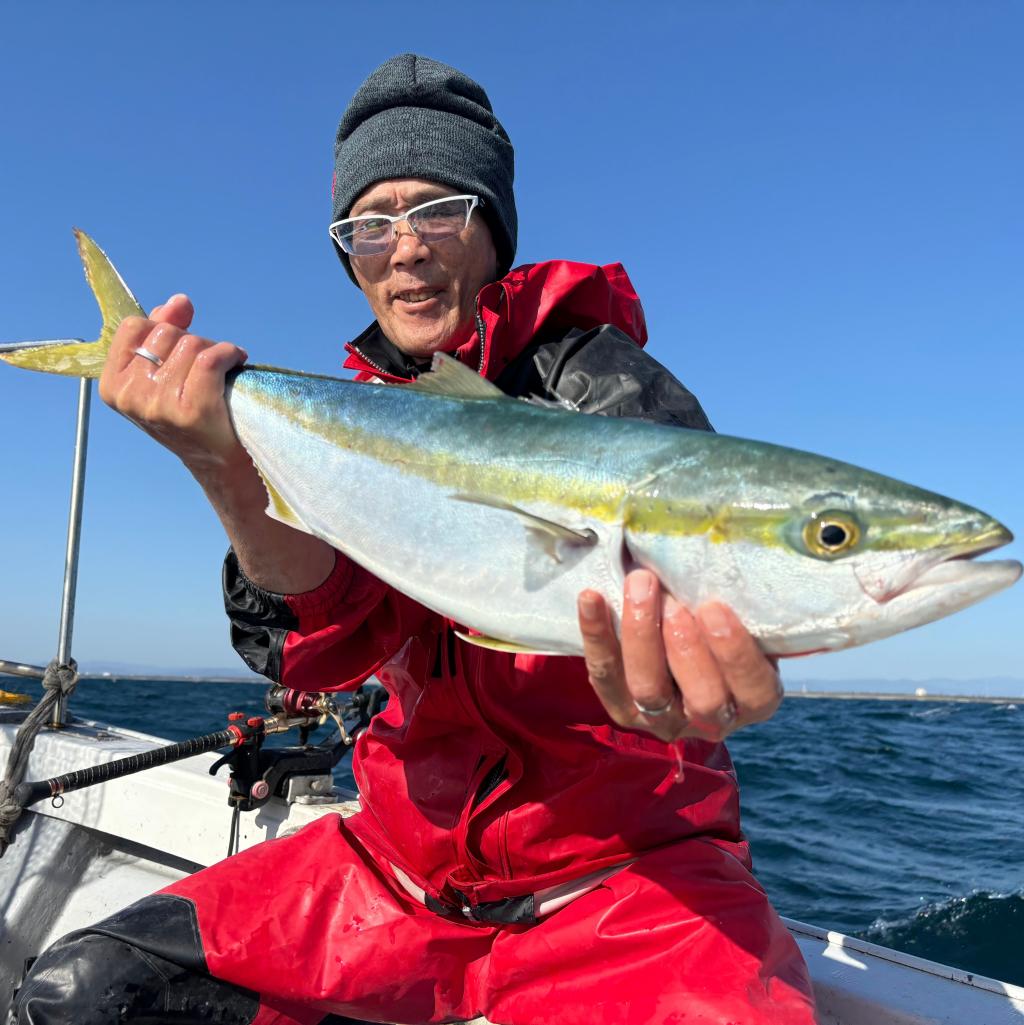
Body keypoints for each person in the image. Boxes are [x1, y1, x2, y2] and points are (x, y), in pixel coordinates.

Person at [13, 55, 816, 1025]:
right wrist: (220, 463)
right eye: (370, 223)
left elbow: (700, 579)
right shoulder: (350, 423)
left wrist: (696, 688)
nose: (405, 248)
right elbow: (314, 639)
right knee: (84, 992)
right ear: (346, 249)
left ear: (491, 229)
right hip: (397, 870)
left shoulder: (607, 394)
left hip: (625, 884)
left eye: (438, 209)